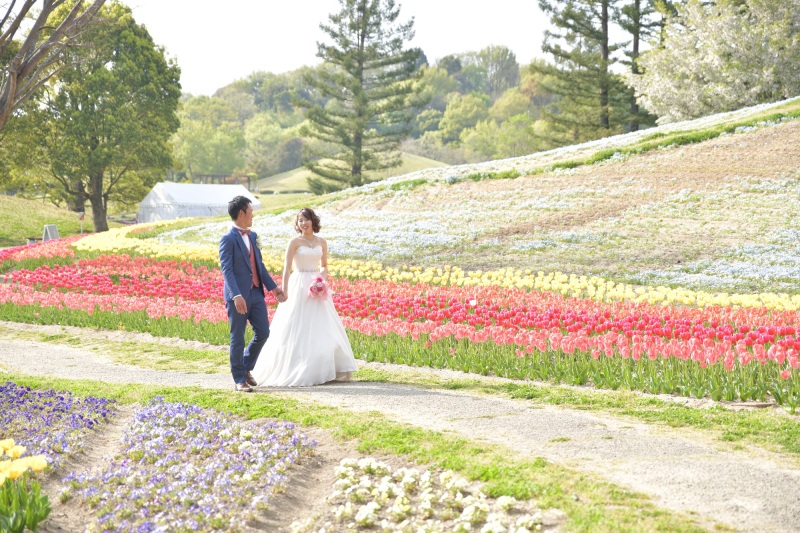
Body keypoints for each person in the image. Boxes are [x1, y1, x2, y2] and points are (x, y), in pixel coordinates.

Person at [250, 207, 358, 386]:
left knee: (322, 325)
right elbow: (287, 268)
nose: (303, 223)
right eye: (300, 220)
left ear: (313, 221)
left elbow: (324, 266)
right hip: (299, 284)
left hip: (317, 286)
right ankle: (298, 366)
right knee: (297, 325)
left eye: (306, 219)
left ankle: (326, 367)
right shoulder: (294, 242)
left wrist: (320, 280)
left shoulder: (322, 242)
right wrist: (284, 290)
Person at [219, 195, 287, 392]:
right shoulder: (228, 239)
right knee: (237, 337)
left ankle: (246, 366)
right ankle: (239, 379)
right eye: (251, 211)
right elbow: (227, 270)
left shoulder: (253, 236)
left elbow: (259, 266)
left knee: (264, 332)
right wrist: (236, 295)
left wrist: (274, 288)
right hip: (238, 296)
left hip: (256, 294)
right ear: (242, 213)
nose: (253, 216)